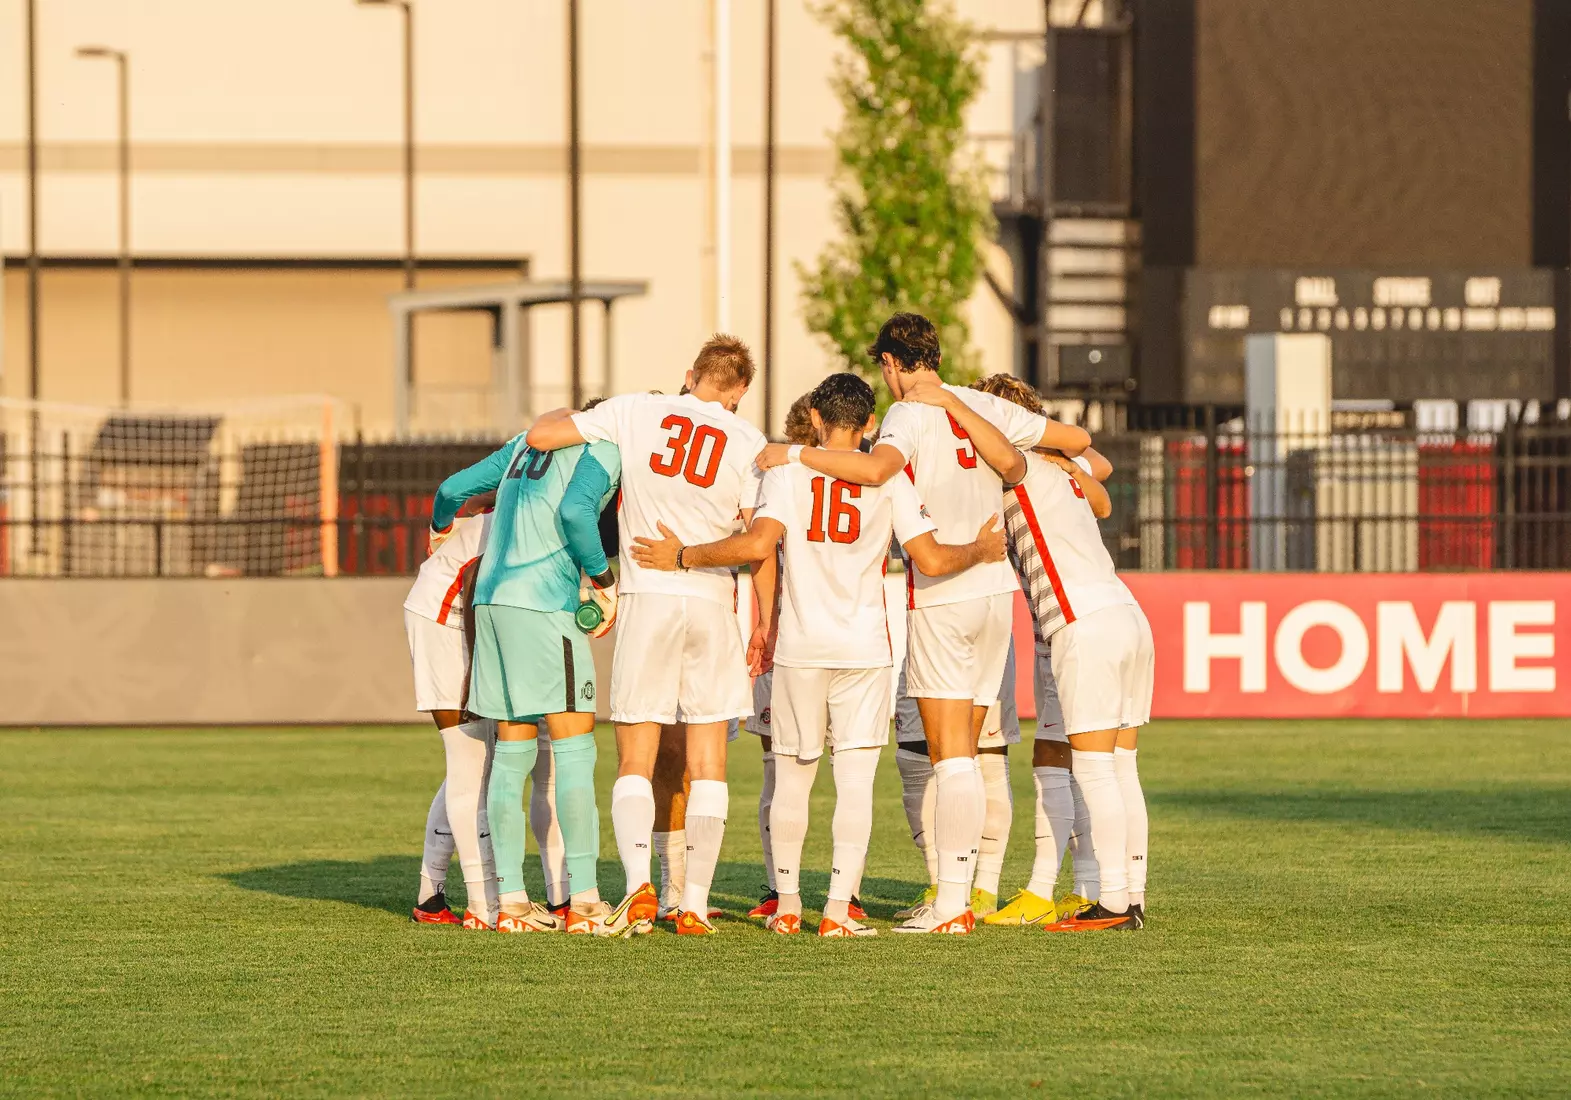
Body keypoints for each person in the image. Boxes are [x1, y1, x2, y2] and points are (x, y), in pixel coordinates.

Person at [632, 371, 1005, 937]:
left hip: (801, 646)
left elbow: (758, 546)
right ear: (871, 424)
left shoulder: (788, 470)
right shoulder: (891, 477)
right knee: (854, 785)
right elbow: (928, 559)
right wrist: (980, 548)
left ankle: (786, 906)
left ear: (813, 419)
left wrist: (684, 555)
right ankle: (835, 911)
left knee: (791, 779)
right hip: (864, 650)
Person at [758, 312, 1090, 934]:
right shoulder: (975, 403)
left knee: (949, 759)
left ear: (889, 361)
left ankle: (950, 904)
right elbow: (1072, 439)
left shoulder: (909, 416)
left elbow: (877, 471)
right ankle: (965, 896)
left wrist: (794, 453)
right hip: (996, 595)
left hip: (940, 599)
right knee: (975, 751)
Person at [526, 334, 767, 936]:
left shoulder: (636, 409)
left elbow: (542, 437)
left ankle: (637, 888)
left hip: (647, 598)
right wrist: (764, 620)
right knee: (710, 763)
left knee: (636, 756)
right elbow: (758, 543)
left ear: (690, 374)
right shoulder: (748, 440)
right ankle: (691, 904)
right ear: (740, 392)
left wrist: (575, 418)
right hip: (712, 602)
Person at [969, 373, 1153, 932]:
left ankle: (1114, 904)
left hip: (1082, 623)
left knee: (1094, 769)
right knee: (1121, 767)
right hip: (1126, 612)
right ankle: (1130, 894)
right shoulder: (1061, 470)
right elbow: (1099, 479)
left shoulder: (1017, 468)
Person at [430, 407, 622, 934]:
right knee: (575, 751)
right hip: (542, 607)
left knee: (511, 757)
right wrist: (603, 581)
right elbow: (578, 515)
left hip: (489, 604)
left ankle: (510, 903)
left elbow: (451, 489)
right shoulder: (604, 447)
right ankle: (584, 901)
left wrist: (439, 530)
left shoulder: (524, 441)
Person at [402, 499, 498, 929]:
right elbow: (456, 491)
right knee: (470, 758)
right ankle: (485, 903)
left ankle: (430, 895)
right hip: (445, 615)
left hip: (456, 610)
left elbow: (462, 491)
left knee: (479, 762)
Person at [891, 643, 1020, 921]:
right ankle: (942, 883)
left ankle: (985, 888)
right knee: (913, 754)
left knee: (988, 752)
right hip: (926, 629)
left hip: (975, 620)